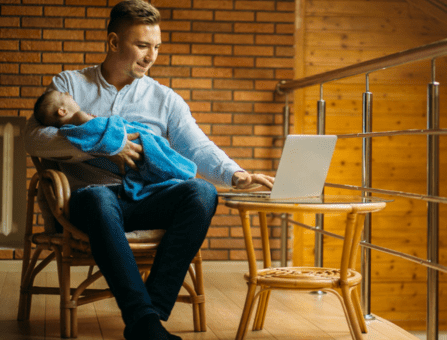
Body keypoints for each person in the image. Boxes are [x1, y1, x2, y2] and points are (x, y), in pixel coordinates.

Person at [24, 1, 274, 339]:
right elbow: (35, 138)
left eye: (156, 46)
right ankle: (145, 321)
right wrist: (105, 144)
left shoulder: (165, 98)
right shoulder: (71, 84)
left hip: (146, 202)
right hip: (90, 204)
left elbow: (196, 146)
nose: (151, 55)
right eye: (142, 45)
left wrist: (236, 174)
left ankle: (147, 318)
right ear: (113, 42)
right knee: (99, 198)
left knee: (201, 192)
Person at [34, 90, 198, 201]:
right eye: (64, 94)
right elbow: (103, 130)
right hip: (130, 145)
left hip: (115, 172)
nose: (69, 94)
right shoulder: (78, 117)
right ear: (62, 111)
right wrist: (115, 132)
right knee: (159, 153)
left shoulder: (69, 132)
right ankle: (183, 172)